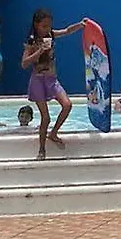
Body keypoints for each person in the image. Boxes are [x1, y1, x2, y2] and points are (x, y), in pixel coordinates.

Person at [21, 8, 86, 158]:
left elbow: (67, 31)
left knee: (67, 105)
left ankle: (54, 133)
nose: (47, 29)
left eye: (49, 26)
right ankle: (42, 149)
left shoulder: (51, 35)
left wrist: (80, 25)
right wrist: (38, 51)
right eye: (44, 26)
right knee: (46, 118)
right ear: (36, 25)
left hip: (51, 79)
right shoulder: (31, 42)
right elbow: (24, 64)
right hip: (38, 81)